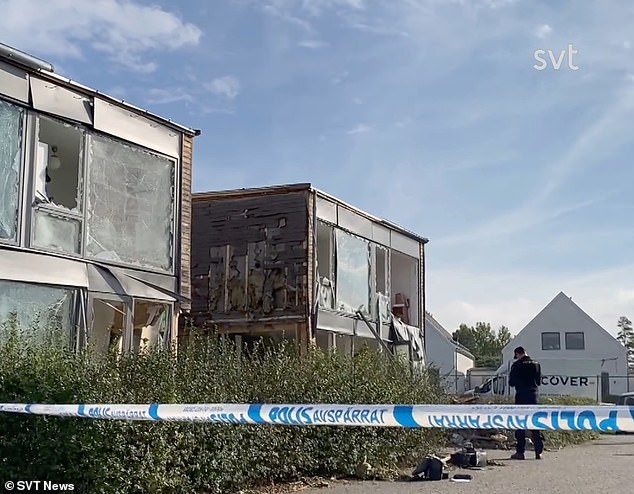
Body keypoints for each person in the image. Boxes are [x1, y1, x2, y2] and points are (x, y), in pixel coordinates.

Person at [508, 346, 544, 460]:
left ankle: (520, 452)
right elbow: (538, 381)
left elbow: (511, 383)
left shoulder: (516, 365)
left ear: (518, 354)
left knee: (520, 425)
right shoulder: (536, 364)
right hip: (533, 397)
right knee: (535, 424)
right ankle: (539, 452)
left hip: (521, 397)